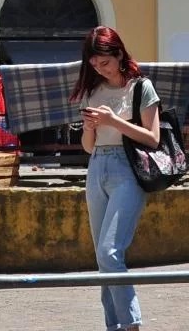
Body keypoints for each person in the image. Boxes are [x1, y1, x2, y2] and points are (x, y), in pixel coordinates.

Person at [74, 26, 160, 331]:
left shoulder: (141, 87)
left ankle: (131, 324)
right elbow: (89, 147)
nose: (100, 69)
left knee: (110, 252)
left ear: (119, 54)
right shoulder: (92, 90)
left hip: (127, 169)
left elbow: (153, 138)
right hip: (97, 167)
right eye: (94, 64)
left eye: (105, 62)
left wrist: (113, 121)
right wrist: (89, 127)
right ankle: (114, 326)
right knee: (102, 258)